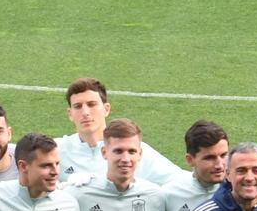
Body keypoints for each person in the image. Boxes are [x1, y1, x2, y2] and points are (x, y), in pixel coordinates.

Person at [57, 77, 188, 185]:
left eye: (92, 104)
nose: (85, 112)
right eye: (78, 106)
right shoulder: (57, 150)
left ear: (106, 109)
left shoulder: (133, 150)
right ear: (70, 114)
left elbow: (181, 181)